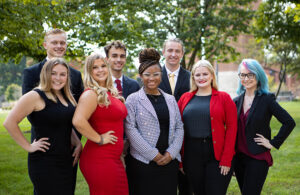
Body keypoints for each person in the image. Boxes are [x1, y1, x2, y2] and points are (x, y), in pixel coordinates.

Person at [4, 58, 82, 195]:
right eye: (53, 73)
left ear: (67, 77)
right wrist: (28, 146)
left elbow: (64, 124)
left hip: (66, 160)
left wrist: (77, 143)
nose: (58, 78)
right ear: (46, 74)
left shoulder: (66, 96)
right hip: (45, 162)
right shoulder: (35, 96)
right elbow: (9, 122)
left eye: (62, 74)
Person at [22, 28, 83, 193]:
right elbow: (28, 112)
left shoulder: (76, 76)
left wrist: (77, 140)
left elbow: (79, 112)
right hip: (44, 147)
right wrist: (28, 146)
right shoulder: (31, 72)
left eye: (62, 42)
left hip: (69, 149)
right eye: (54, 42)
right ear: (45, 45)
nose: (59, 46)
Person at [125, 48, 184, 195]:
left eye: (156, 74)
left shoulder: (170, 99)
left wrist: (171, 153)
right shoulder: (133, 99)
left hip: (169, 162)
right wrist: (154, 155)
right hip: (143, 163)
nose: (152, 78)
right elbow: (130, 129)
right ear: (140, 76)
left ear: (161, 75)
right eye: (147, 75)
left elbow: (179, 127)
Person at [233, 59, 296, 195]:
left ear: (258, 76)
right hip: (238, 158)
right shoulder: (236, 101)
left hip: (257, 156)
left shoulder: (267, 99)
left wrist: (273, 142)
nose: (246, 78)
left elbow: (289, 122)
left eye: (250, 75)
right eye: (243, 75)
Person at [178, 60, 237, 195]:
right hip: (191, 154)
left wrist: (227, 159)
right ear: (193, 77)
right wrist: (181, 161)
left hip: (216, 154)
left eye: (205, 74)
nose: (201, 78)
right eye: (197, 75)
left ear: (212, 76)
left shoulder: (224, 98)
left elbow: (232, 128)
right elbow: (178, 128)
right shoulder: (185, 98)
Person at [72, 53, 128, 195]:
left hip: (114, 158)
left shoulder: (110, 93)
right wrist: (100, 138)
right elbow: (78, 121)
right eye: (95, 67)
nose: (100, 70)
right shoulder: (91, 94)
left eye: (103, 66)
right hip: (99, 159)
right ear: (89, 72)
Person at [158, 38, 191, 195]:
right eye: (170, 50)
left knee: (186, 185)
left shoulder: (192, 78)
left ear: (182, 54)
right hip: (160, 138)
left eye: (177, 51)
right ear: (163, 52)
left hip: (187, 136)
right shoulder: (153, 76)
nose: (173, 54)